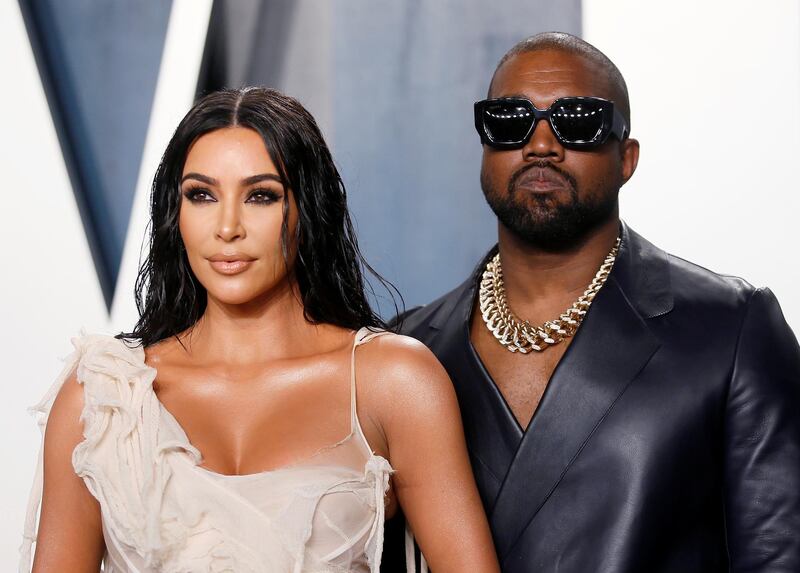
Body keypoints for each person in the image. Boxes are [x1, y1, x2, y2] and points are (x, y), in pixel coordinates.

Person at [20, 87, 500, 573]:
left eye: (261, 196)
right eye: (202, 195)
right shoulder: (103, 397)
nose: (227, 226)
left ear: (309, 210)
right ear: (175, 213)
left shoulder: (394, 381)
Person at [383, 32, 800, 572]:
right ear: (484, 147)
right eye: (509, 121)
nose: (540, 145)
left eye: (577, 121)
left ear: (627, 159)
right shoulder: (407, 350)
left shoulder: (732, 329)